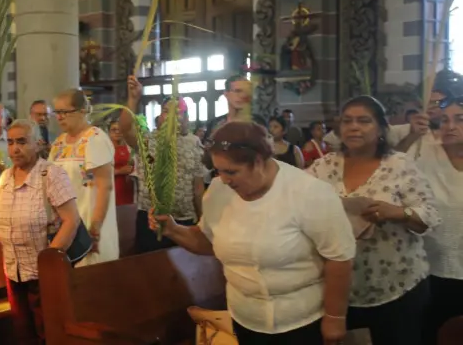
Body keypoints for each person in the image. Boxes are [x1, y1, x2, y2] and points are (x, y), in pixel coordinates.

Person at [150, 122, 355, 344]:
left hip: (301, 320)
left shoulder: (309, 192)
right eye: (218, 171)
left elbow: (339, 258)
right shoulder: (218, 191)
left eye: (231, 172)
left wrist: (335, 318)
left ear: (258, 162)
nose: (224, 180)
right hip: (245, 318)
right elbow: (208, 241)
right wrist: (173, 229)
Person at [307, 95, 440, 345]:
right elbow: (298, 205)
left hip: (397, 286)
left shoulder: (399, 164)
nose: (354, 127)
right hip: (342, 289)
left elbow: (430, 215)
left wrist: (397, 213)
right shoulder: (323, 167)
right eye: (347, 121)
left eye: (364, 121)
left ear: (380, 128)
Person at [0, 119, 80, 344]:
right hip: (13, 271)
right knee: (23, 334)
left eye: (22, 141)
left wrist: (48, 260)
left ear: (38, 143)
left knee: (48, 333)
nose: (15, 148)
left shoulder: (51, 175)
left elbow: (71, 220)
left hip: (43, 275)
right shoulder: (4, 179)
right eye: (10, 142)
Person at [121, 77, 205, 253]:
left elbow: (197, 187)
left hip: (185, 220)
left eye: (178, 112)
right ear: (160, 116)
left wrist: (203, 219)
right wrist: (133, 99)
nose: (172, 116)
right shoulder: (147, 140)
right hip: (151, 220)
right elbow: (126, 128)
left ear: (185, 119)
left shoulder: (193, 143)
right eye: (167, 111)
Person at [49, 88, 118, 266]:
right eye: (57, 112)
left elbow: (105, 186)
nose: (59, 117)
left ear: (81, 111)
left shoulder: (95, 139)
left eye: (65, 112)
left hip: (89, 219)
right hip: (65, 226)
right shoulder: (58, 143)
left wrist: (95, 228)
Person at [419, 92, 463, 343]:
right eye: (445, 120)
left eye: (460, 119)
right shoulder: (425, 151)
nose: (451, 126)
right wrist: (414, 132)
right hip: (433, 268)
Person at [108, 120, 135, 205]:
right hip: (112, 192)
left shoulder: (131, 149)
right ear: (109, 132)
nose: (117, 132)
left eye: (120, 130)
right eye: (114, 129)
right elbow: (98, 173)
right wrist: (119, 171)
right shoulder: (105, 149)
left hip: (129, 193)